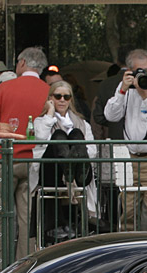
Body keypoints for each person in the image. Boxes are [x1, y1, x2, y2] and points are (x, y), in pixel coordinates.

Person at [0, 46, 50, 267]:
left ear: (21, 63)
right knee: (26, 219)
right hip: (33, 162)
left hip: (3, 159)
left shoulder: (6, 88)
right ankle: (24, 266)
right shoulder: (48, 90)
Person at [103, 48, 147, 233]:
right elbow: (110, 116)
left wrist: (146, 96)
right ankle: (128, 250)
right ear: (129, 71)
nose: (145, 75)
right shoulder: (125, 89)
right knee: (127, 210)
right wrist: (122, 90)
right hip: (130, 157)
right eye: (139, 71)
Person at [31, 80, 97, 244]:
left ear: (71, 100)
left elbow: (93, 151)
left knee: (75, 134)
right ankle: (67, 165)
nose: (62, 100)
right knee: (59, 135)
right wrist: (50, 114)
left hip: (80, 174)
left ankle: (72, 166)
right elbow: (39, 139)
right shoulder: (41, 121)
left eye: (66, 97)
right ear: (50, 98)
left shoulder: (82, 124)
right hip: (51, 173)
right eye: (57, 96)